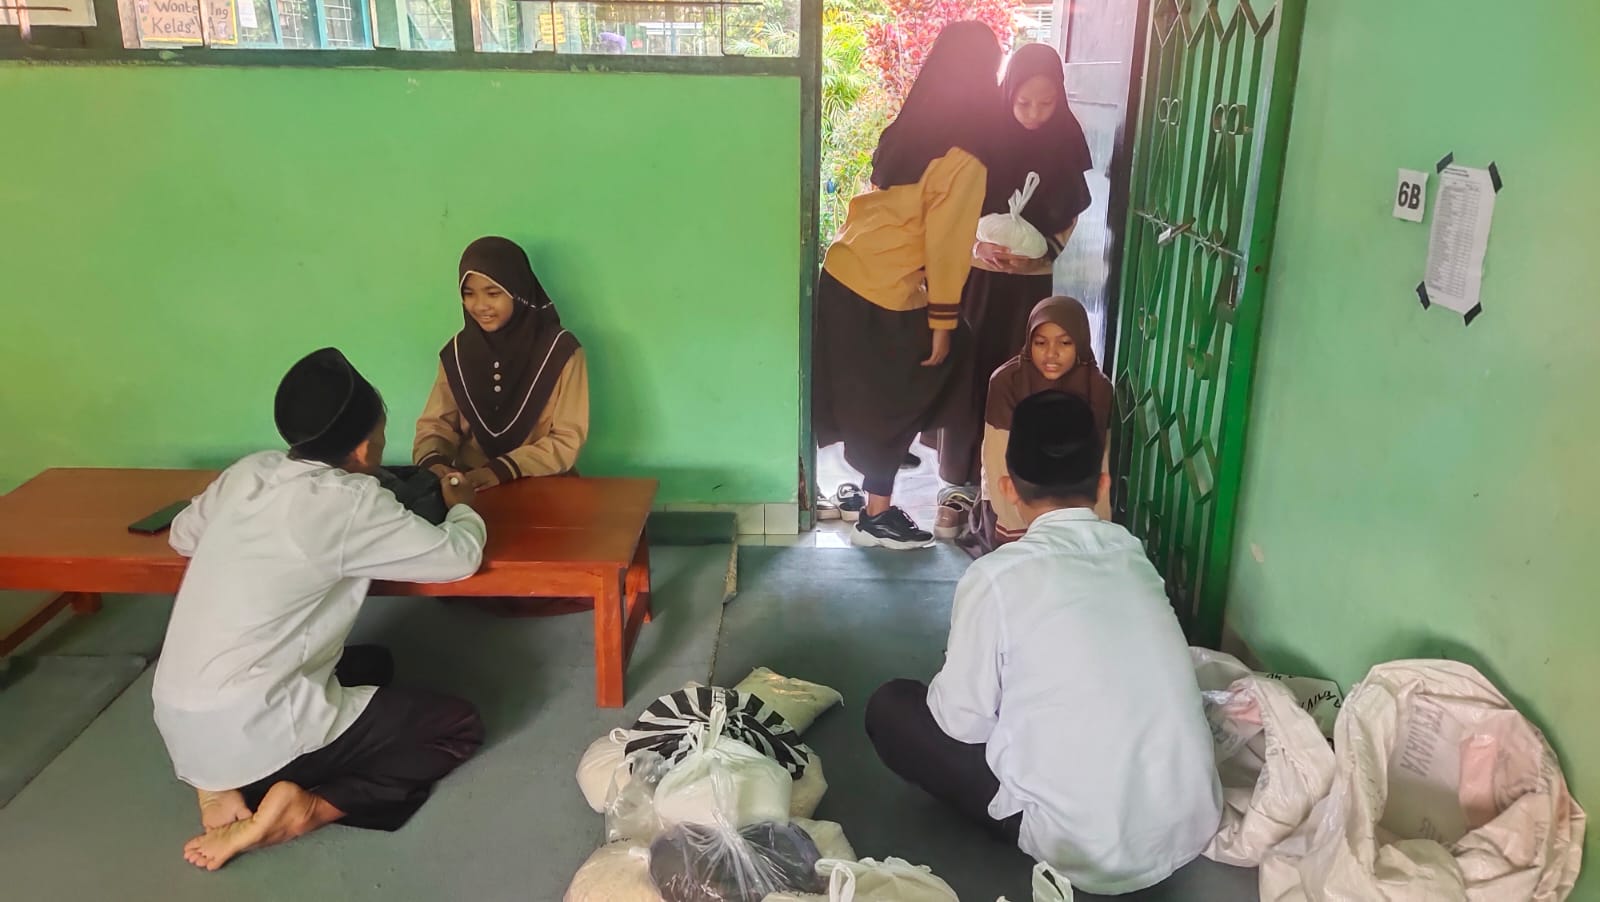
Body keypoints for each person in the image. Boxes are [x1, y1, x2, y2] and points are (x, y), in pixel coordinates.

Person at [865, 391, 1221, 895]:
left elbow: (961, 724)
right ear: (1102, 483)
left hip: (1083, 847)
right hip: (1188, 821)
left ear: (1008, 488)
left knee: (892, 706)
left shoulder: (996, 576)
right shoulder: (1131, 553)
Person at [153, 348, 490, 871]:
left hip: (182, 722)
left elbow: (182, 535)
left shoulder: (251, 471)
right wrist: (463, 503)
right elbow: (458, 558)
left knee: (374, 662)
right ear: (363, 447)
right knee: (456, 726)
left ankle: (218, 787)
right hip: (256, 727)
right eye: (381, 432)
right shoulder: (350, 501)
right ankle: (306, 807)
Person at [812, 21, 1004, 550]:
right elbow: (946, 246)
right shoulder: (967, 157)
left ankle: (867, 486)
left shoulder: (910, 130)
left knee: (872, 390)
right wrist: (941, 321)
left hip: (845, 273)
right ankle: (877, 516)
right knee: (916, 379)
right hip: (884, 290)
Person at [930, 43, 1093, 514]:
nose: (1035, 114)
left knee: (1019, 373)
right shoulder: (983, 137)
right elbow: (952, 205)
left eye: (1046, 103)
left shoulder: (1065, 141)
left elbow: (1069, 213)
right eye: (1024, 103)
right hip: (979, 282)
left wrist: (1046, 254)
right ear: (1008, 94)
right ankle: (959, 479)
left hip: (1029, 286)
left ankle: (1007, 473)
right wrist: (974, 246)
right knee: (970, 370)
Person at [414, 235, 589, 489]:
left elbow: (567, 438)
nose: (480, 306)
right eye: (469, 294)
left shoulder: (560, 351)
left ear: (518, 292)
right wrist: (433, 460)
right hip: (471, 489)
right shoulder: (458, 353)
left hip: (544, 486)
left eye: (493, 293)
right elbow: (436, 425)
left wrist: (503, 469)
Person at [962, 296, 1111, 554]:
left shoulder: (1097, 387)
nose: (1051, 353)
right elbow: (996, 459)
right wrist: (1012, 525)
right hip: (1017, 493)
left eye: (1065, 343)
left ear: (1080, 343)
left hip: (1071, 495)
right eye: (1040, 343)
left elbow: (1099, 460)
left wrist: (1096, 526)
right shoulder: (1008, 381)